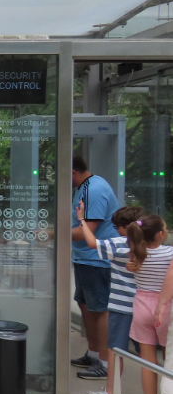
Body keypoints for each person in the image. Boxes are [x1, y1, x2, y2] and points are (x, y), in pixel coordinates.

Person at [76, 204, 144, 394]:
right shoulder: (152, 247)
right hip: (145, 307)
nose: (114, 229)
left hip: (121, 306)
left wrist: (81, 219)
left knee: (115, 351)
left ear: (124, 227)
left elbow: (91, 242)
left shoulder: (118, 245)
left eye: (115, 226)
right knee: (149, 356)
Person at [121, 215, 173, 394]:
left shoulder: (135, 255)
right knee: (168, 361)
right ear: (160, 234)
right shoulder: (170, 253)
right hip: (166, 308)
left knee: (147, 362)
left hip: (141, 306)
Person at [70, 155, 120, 378]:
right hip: (84, 258)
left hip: (97, 260)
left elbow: (87, 230)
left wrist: (51, 234)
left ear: (71, 172)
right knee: (85, 305)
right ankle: (93, 353)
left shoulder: (94, 189)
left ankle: (106, 363)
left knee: (100, 310)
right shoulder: (83, 187)